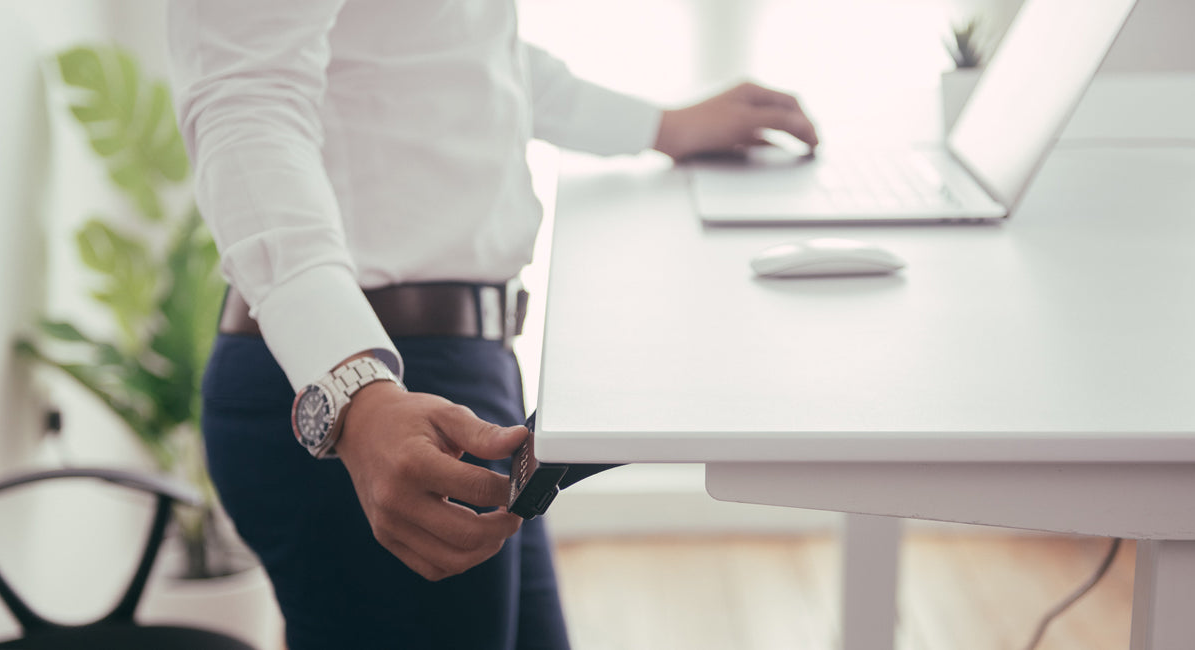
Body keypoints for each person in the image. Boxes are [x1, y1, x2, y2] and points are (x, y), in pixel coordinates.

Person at [167, 1, 819, 648]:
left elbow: (465, 50)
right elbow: (244, 103)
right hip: (373, 392)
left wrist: (658, 125)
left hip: (451, 369)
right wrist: (352, 387)